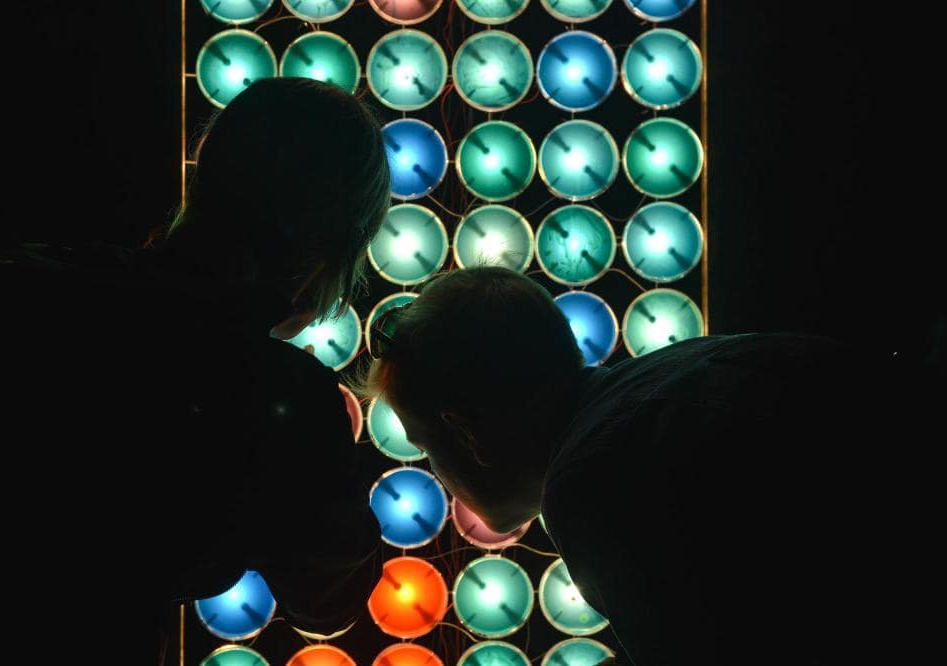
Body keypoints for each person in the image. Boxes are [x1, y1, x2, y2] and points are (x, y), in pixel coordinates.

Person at [0, 77, 390, 658]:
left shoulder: (34, 282)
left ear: (205, 170)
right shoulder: (281, 399)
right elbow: (331, 602)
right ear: (331, 251)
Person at [363, 266, 942, 666]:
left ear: (464, 429)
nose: (439, 476)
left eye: (427, 448)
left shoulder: (591, 483)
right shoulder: (677, 371)